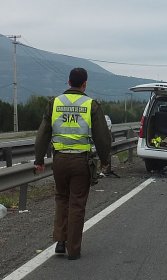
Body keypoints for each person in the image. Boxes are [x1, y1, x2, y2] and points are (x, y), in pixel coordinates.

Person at [34, 68, 111, 260]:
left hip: (59, 160)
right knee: (77, 204)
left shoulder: (54, 103)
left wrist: (39, 159)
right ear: (84, 84)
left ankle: (60, 241)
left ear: (68, 82)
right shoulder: (91, 105)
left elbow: (43, 133)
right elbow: (102, 137)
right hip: (80, 162)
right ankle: (73, 250)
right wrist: (104, 160)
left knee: (61, 199)